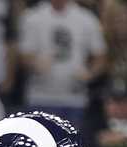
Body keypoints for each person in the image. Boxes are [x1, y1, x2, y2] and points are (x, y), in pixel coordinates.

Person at [17, 0, 106, 129]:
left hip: (75, 99)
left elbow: (101, 56)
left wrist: (90, 74)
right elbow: (23, 56)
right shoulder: (33, 17)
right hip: (40, 97)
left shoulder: (86, 18)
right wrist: (34, 63)